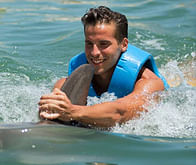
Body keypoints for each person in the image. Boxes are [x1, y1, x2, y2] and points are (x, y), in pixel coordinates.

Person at [38, 6, 169, 128]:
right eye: (89, 43)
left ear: (123, 44)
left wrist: (73, 111)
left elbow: (121, 113)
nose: (94, 53)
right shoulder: (65, 84)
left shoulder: (150, 83)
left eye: (103, 44)